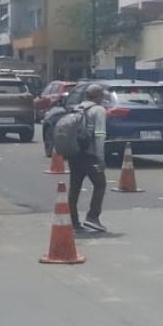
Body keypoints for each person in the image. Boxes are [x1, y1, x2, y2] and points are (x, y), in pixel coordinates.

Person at [68, 83, 109, 233]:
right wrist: (100, 157)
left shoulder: (77, 108)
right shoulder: (99, 110)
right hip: (90, 155)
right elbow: (99, 135)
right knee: (100, 184)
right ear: (99, 96)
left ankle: (72, 220)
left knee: (74, 188)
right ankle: (93, 217)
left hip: (74, 154)